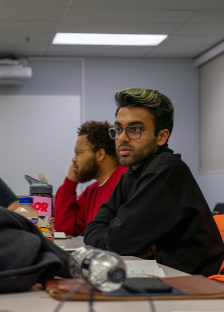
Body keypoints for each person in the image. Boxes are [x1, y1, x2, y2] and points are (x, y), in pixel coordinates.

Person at [83, 87, 224, 276]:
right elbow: (93, 228)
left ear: (162, 136)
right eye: (118, 129)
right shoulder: (131, 173)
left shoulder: (165, 169)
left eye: (134, 129)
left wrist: (121, 239)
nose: (122, 138)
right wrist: (125, 241)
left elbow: (118, 241)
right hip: (163, 276)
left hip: (195, 287)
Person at [54, 121, 127, 236]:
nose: (74, 159)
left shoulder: (127, 179)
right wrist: (70, 182)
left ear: (100, 155)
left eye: (79, 153)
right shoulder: (90, 193)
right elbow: (63, 228)